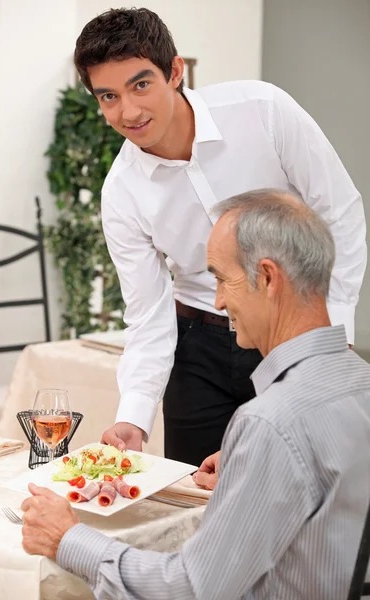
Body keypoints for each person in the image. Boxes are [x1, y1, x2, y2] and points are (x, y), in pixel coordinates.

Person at [21, 190, 370, 599]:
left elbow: (191, 589)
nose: (219, 301)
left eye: (222, 279)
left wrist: (68, 539)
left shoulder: (271, 422)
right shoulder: (359, 382)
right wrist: (255, 466)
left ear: (269, 278)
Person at [74, 8, 366, 466]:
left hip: (285, 330)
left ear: (175, 71)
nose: (127, 111)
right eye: (108, 96)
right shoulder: (121, 192)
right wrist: (134, 414)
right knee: (193, 497)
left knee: (292, 486)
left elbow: (340, 213)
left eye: (140, 84)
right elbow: (148, 313)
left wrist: (335, 330)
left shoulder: (264, 111)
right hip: (196, 347)